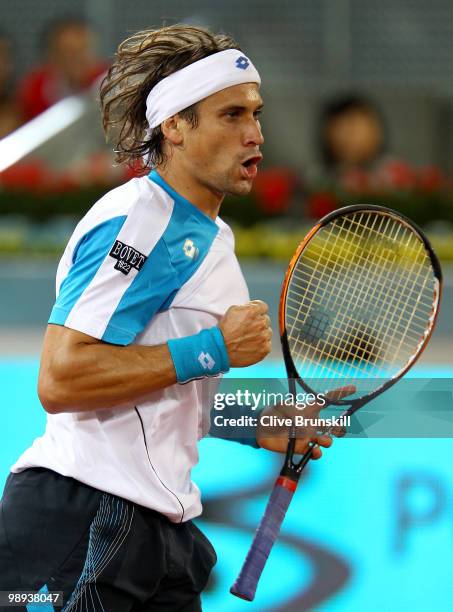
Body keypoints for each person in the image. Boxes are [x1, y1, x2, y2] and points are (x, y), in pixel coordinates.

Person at [0, 25, 335, 611]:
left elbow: (169, 395)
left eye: (256, 113)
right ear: (176, 127)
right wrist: (213, 349)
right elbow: (62, 379)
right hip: (80, 519)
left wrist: (258, 422)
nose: (255, 133)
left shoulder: (214, 240)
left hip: (157, 532)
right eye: (231, 115)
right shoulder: (140, 221)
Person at [17, 17, 108, 121]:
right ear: (52, 55)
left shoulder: (110, 83)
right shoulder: (34, 90)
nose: (80, 59)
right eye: (70, 53)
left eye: (84, 51)